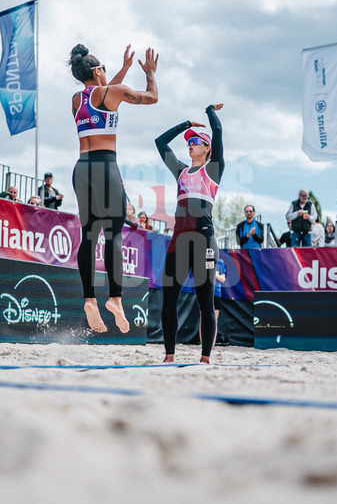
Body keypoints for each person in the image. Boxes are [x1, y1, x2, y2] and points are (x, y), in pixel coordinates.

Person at [70, 43, 159, 334]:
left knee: (89, 236)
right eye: (104, 69)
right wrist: (150, 74)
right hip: (105, 167)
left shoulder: (76, 98)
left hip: (81, 169)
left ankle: (89, 301)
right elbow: (152, 98)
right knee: (115, 233)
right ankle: (116, 299)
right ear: (97, 71)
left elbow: (104, 92)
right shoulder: (113, 93)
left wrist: (121, 69)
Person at [155, 103, 224, 363]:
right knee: (168, 299)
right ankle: (169, 355)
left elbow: (217, 130)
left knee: (205, 302)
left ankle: (205, 358)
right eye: (189, 142)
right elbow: (160, 142)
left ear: (207, 148)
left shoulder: (213, 169)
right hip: (179, 242)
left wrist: (209, 112)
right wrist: (185, 125)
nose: (190, 144)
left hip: (204, 239)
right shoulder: (181, 170)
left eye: (195, 141)